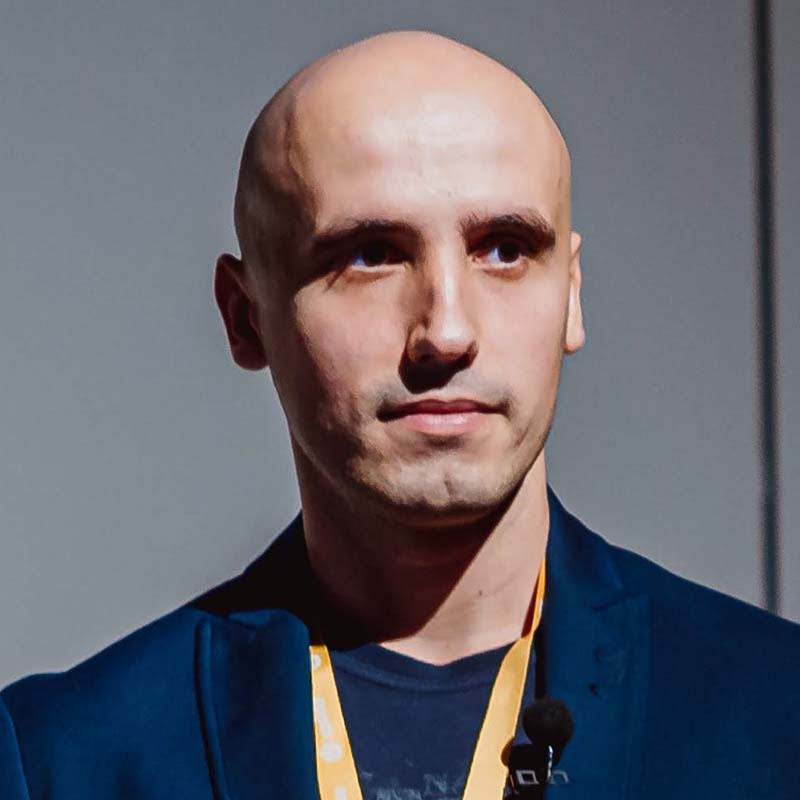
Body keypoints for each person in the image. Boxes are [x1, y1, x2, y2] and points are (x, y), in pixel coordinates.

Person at [1, 29, 798, 800]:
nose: (447, 331)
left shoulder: (776, 715)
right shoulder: (66, 761)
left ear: (571, 295)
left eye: (505, 249)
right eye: (371, 255)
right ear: (245, 317)